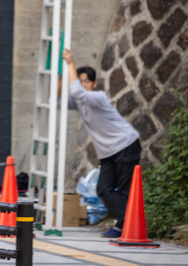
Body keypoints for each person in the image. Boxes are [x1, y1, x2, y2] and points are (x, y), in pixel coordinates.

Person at [62, 48, 141, 238]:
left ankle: (126, 225)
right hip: (108, 154)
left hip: (125, 144)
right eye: (80, 81)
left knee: (123, 190)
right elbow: (60, 101)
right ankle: (128, 221)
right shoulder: (80, 102)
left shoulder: (98, 97)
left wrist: (71, 63)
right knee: (103, 189)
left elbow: (78, 94)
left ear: (94, 83)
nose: (82, 85)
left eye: (86, 82)